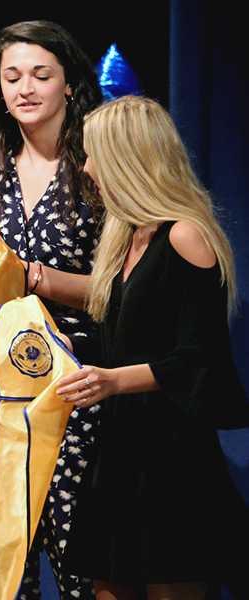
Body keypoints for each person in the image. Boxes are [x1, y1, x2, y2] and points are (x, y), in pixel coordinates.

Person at [53, 95, 249, 600]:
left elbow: (198, 358)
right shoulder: (123, 238)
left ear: (126, 158)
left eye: (93, 154)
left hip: (171, 457)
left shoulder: (186, 236)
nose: (87, 167)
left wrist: (112, 379)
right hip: (119, 448)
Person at [0, 20, 103, 598]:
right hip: (4, 385)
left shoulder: (99, 165)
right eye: (12, 76)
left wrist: (34, 277)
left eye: (41, 75)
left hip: (80, 381)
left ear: (69, 84)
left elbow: (121, 288)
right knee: (5, 553)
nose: (25, 88)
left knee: (78, 557)